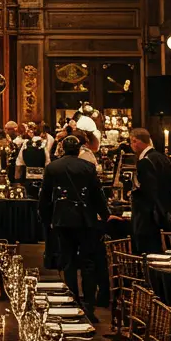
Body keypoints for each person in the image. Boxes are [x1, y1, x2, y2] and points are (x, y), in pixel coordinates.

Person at [39, 134, 109, 319]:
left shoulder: (53, 168)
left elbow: (45, 196)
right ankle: (89, 307)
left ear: (62, 149)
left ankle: (72, 302)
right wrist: (106, 215)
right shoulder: (88, 167)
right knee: (88, 263)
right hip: (85, 220)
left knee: (68, 261)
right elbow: (97, 194)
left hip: (62, 219)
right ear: (78, 150)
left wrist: (46, 219)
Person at [129, 126, 171, 254]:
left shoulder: (145, 162)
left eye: (131, 141)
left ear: (136, 141)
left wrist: (134, 194)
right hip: (165, 214)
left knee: (148, 254)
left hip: (149, 219)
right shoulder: (162, 158)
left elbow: (149, 191)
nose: (131, 145)